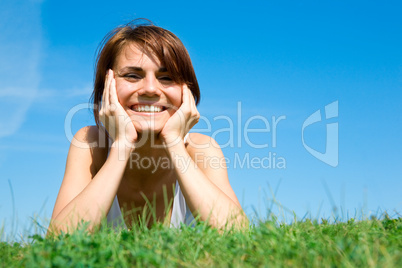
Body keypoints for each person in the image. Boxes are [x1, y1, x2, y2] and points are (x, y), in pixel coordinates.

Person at [48, 19, 248, 234]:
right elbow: (60, 241)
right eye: (132, 75)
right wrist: (122, 144)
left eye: (167, 77)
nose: (151, 89)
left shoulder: (202, 149)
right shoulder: (89, 144)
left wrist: (174, 142)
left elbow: (238, 237)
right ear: (107, 86)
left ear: (186, 92)